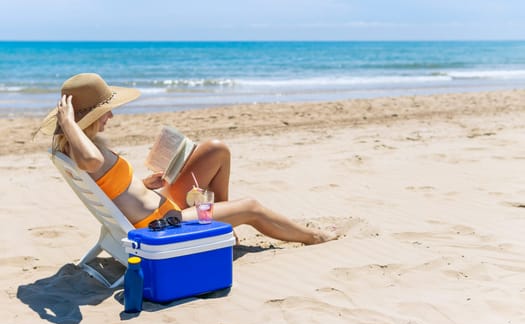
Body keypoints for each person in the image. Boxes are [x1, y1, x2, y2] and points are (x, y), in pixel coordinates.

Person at [39, 73, 337, 245]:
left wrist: (144, 184)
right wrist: (70, 123)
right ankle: (312, 237)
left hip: (160, 205)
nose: (112, 116)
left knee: (215, 149)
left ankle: (225, 228)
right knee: (253, 207)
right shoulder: (82, 149)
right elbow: (91, 163)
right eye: (105, 111)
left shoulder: (81, 145)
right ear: (84, 118)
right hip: (161, 223)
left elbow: (108, 186)